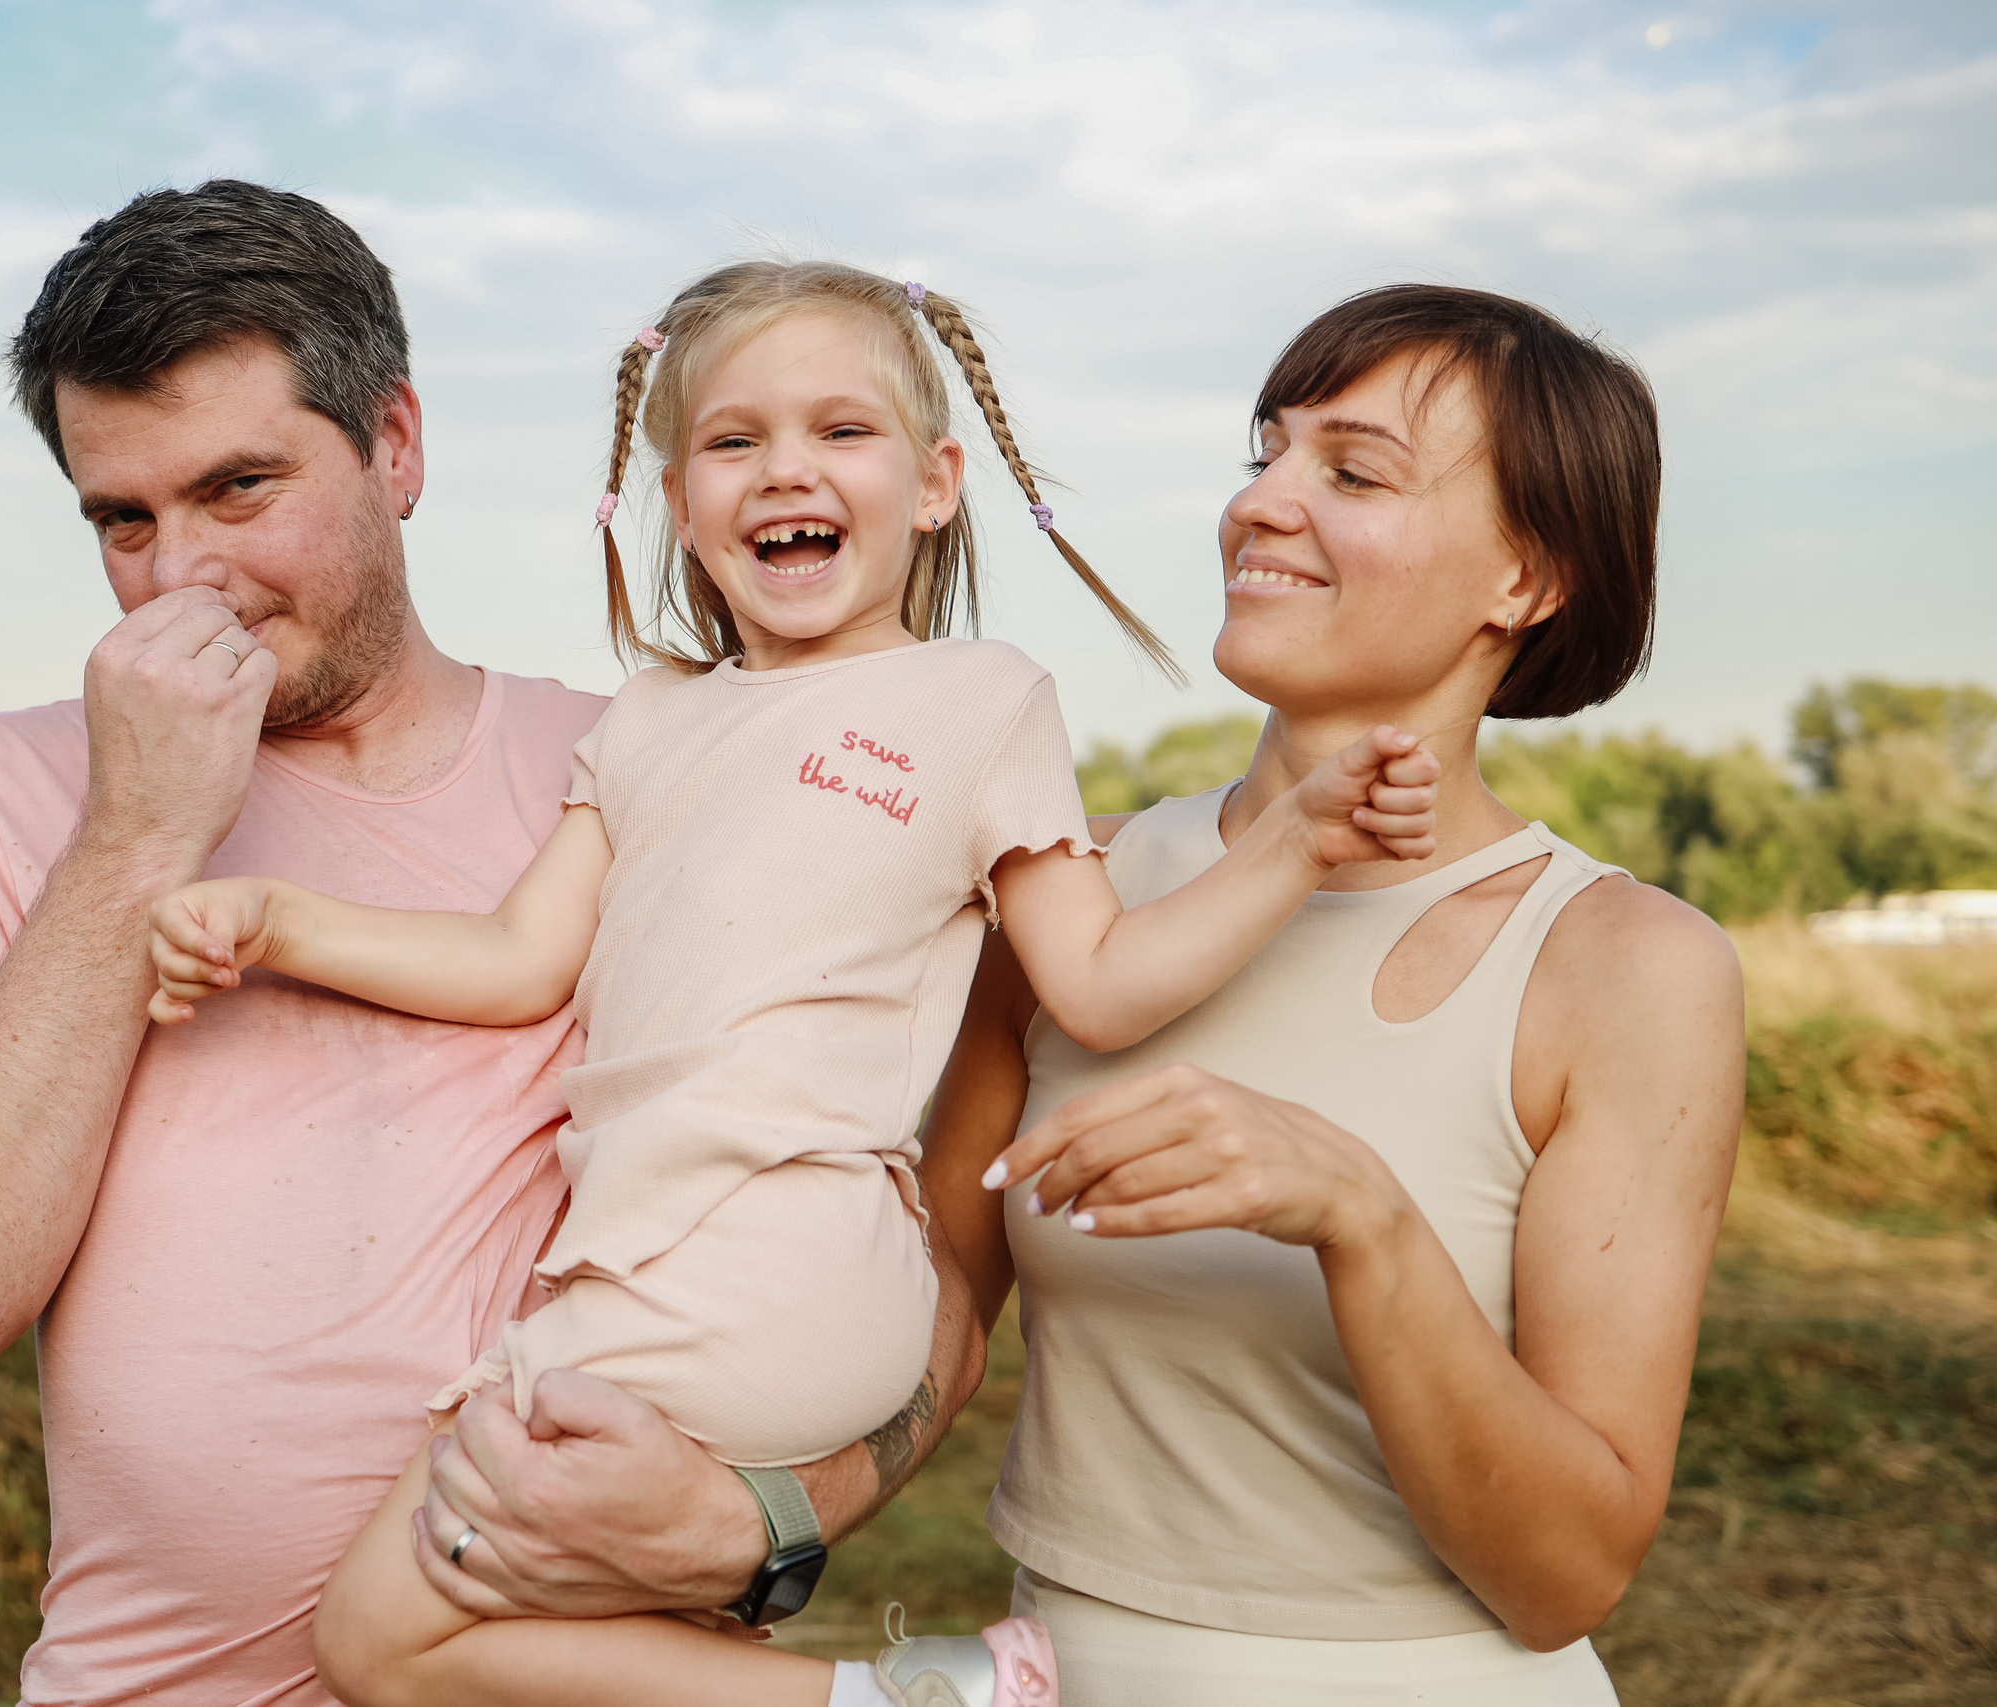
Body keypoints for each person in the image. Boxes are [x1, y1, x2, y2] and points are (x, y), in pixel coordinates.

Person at [142, 260, 1444, 1707]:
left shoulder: (976, 701)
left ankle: (901, 1702)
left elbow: (1101, 981)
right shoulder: (647, 724)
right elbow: (516, 962)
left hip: (770, 1264)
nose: (785, 472)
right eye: (734, 441)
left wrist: (1296, 844)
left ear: (936, 484)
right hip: (664, 1269)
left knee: (381, 1642)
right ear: (683, 501)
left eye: (840, 432)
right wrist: (278, 919)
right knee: (594, 1649)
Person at [0, 179, 623, 1703]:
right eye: (123, 518)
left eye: (240, 488)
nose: (182, 575)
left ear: (396, 445)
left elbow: (889, 1242)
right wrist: (134, 837)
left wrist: (778, 1516)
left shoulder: (633, 771)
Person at [920, 285, 1746, 1704]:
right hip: (1058, 1669)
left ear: (1527, 580)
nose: (1261, 505)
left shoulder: (1627, 967)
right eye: (1267, 453)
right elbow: (924, 1319)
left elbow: (1569, 1573)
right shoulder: (1074, 896)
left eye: (1352, 471)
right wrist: (748, 1514)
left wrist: (1357, 1213)